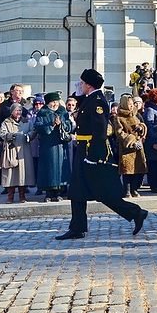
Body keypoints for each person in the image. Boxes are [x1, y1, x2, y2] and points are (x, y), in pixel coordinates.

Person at [56, 69, 148, 241]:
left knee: (103, 192)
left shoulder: (98, 102)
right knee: (77, 190)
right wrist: (77, 93)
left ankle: (136, 213)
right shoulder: (91, 98)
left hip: (93, 151)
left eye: (82, 83)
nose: (80, 86)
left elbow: (100, 131)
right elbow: (82, 103)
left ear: (89, 85)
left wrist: (93, 156)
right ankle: (77, 227)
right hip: (84, 148)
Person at [34, 92, 72, 202]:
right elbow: (38, 126)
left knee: (60, 169)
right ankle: (48, 193)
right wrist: (51, 125)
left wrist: (61, 124)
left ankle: (59, 192)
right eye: (52, 102)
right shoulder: (42, 113)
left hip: (60, 145)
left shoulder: (63, 112)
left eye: (56, 102)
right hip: (47, 145)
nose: (55, 104)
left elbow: (69, 126)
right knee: (48, 169)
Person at [111, 94, 147, 197]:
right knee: (127, 170)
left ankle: (134, 188)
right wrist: (131, 141)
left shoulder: (135, 115)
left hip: (138, 146)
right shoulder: (119, 117)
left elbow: (142, 124)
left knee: (139, 169)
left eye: (132, 104)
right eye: (129, 104)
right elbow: (120, 133)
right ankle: (127, 190)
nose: (131, 106)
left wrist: (141, 129)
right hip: (126, 148)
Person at [0, 103, 35, 203]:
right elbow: (2, 133)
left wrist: (29, 135)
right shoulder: (6, 122)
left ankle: (22, 196)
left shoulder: (26, 121)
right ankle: (10, 197)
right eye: (16, 110)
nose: (18, 112)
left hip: (24, 150)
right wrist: (10, 136)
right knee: (11, 174)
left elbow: (33, 130)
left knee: (23, 174)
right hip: (11, 150)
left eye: (20, 110)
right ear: (12, 111)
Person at [143, 88, 157, 193]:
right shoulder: (150, 110)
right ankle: (154, 185)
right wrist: (154, 142)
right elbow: (150, 126)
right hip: (154, 141)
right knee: (154, 165)